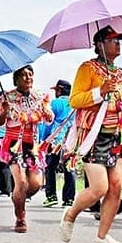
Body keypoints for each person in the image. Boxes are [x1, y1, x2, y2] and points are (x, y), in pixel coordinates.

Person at [59, 26, 122, 243]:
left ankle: (102, 235)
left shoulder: (120, 75)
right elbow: (75, 100)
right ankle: (71, 213)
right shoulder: (87, 68)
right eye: (112, 40)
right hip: (92, 136)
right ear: (99, 44)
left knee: (115, 188)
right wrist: (100, 91)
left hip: (115, 137)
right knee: (99, 188)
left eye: (119, 40)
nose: (118, 43)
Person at [0, 65, 54, 232]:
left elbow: (48, 118)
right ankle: (20, 217)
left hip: (32, 145)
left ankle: (18, 196)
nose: (28, 78)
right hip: (14, 144)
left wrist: (49, 114)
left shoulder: (40, 97)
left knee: (35, 184)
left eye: (30, 74)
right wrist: (4, 112)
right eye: (23, 75)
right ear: (16, 79)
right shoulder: (7, 97)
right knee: (21, 182)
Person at [41, 79, 76, 208]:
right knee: (69, 168)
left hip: (55, 141)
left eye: (56, 90)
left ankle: (51, 196)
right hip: (71, 141)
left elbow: (48, 123)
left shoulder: (54, 103)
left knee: (50, 167)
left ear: (60, 90)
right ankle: (69, 199)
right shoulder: (75, 104)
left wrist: (44, 140)